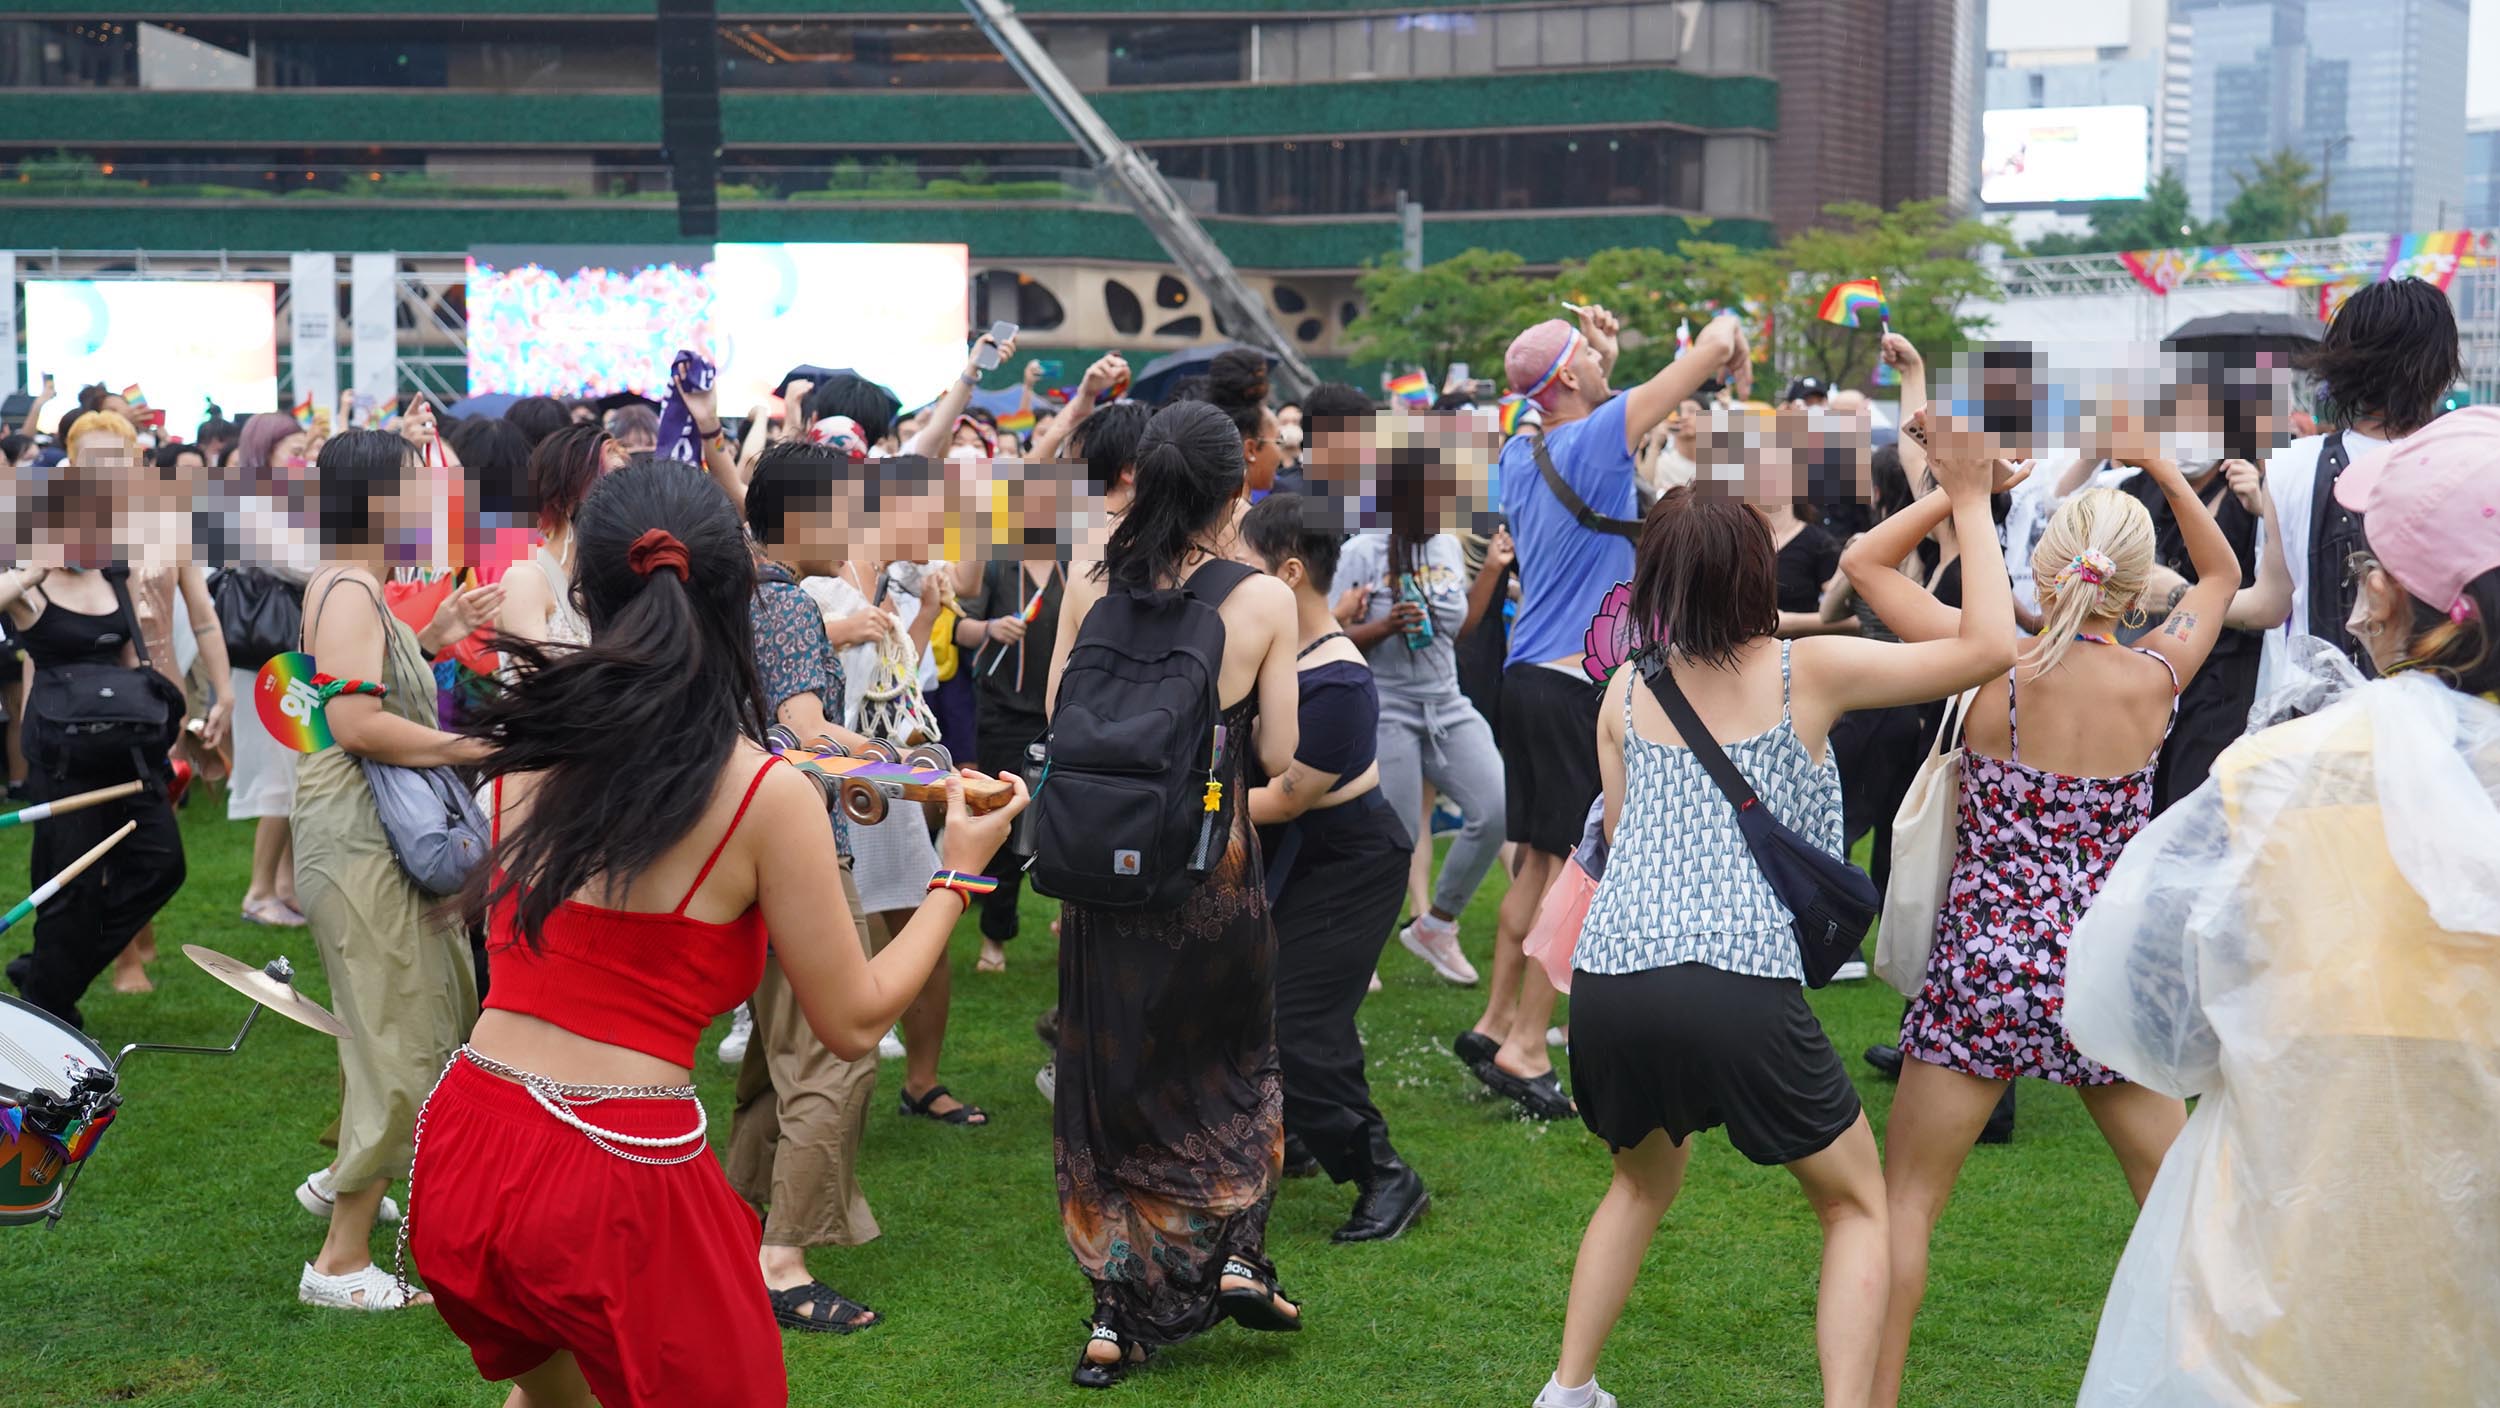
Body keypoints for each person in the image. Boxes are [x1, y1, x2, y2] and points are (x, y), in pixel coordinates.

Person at [410, 457, 1025, 1405]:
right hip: (614, 1166)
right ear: (743, 595)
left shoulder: (527, 741)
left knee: (549, 1395)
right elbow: (854, 1022)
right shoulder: (760, 792)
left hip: (469, 1139)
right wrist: (959, 869)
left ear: (590, 588)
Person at [1536, 450, 2017, 1408]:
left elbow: (1624, 839)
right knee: (1854, 1205)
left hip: (1614, 980)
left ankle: (1569, 1389)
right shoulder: (1807, 668)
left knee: (1638, 1186)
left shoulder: (1625, 692)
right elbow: (1989, 649)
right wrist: (1966, 500)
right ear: (1758, 575)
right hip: (1734, 978)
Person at [2062, 404, 2500, 1408]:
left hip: (2287, 1255)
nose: (2353, 601)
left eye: (2364, 572)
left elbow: (2141, 1014)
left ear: (2408, 595)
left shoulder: (2290, 771)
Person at [1841, 424, 2242, 1408]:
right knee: (2177, 1209)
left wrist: (1964, 492)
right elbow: (2224, 575)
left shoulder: (1992, 665)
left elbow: (1862, 563)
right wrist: (2157, 470)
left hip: (1982, 966)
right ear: (2133, 584)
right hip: (2098, 974)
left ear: (2051, 565)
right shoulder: (2157, 677)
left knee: (1904, 1211)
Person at [1043, 400, 1303, 1386]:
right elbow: (1279, 752)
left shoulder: (1095, 577)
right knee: (1233, 1071)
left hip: (1098, 878)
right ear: (1233, 490)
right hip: (1210, 867)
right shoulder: (1262, 600)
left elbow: (1066, 713)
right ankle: (1234, 1248)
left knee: (1112, 1092)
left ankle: (1113, 1314)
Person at [1464, 307, 1748, 1121]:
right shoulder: (1591, 440)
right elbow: (1708, 356)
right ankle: (1524, 1047)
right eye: (1586, 354)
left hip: (1527, 678)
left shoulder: (1521, 452)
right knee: (1578, 868)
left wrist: (1600, 361)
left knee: (1538, 863)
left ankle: (1492, 1025)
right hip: (1572, 685)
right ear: (1566, 383)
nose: (1598, 356)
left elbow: (1585, 408)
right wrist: (1725, 329)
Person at [290, 428, 497, 1310]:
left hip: (370, 840)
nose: (428, 503)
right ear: (376, 500)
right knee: (404, 1036)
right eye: (415, 488)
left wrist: (435, 637)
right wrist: (479, 745)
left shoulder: (356, 588)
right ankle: (338, 1263)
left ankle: (348, 1182)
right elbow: (356, 725)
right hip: (364, 842)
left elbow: (354, 684)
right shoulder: (347, 589)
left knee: (407, 1021)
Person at [726, 440, 897, 1332]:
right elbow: (800, 733)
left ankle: (736, 1218)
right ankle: (781, 1261)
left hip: (733, 851)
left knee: (775, 1052)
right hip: (796, 853)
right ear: (796, 519)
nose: (857, 527)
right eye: (845, 509)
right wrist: (903, 765)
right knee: (839, 1049)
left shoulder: (730, 588)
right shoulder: (786, 605)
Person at [1238, 492, 1430, 1242]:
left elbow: (1286, 799)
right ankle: (1310, 1139)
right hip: (1309, 859)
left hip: (1353, 864)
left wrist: (1188, 808)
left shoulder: (1340, 679)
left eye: (1244, 569)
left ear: (1287, 574)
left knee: (1298, 1025)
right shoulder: (1287, 652)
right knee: (1273, 1013)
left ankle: (1386, 1175)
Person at [0, 411, 193, 1031]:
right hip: (63, 753)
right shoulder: (29, 583)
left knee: (161, 866)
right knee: (70, 885)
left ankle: (49, 978)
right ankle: (48, 1007)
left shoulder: (114, 573)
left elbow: (136, 660)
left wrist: (173, 716)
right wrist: (33, 566)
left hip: (129, 752)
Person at [1333, 441, 1499, 986]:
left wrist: (1492, 573)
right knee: (1396, 842)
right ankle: (1358, 948)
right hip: (1388, 708)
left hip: (1447, 701)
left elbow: (1460, 629)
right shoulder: (1360, 551)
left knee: (1494, 810)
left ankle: (1437, 924)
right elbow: (1328, 639)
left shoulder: (1445, 548)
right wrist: (1381, 627)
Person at [2258, 276, 2461, 684]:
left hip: (2317, 724)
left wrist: (2180, 594)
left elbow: (2268, 603)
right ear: (2440, 371)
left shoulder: (2290, 466)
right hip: (2441, 719)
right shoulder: (2466, 464)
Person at [224, 410, 316, 927]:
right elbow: (302, 563)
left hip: (281, 653)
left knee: (291, 770)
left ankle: (285, 886)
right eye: (293, 448)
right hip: (267, 656)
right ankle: (260, 891)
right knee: (281, 776)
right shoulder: (252, 505)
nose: (303, 456)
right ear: (267, 451)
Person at [498, 424, 623, 651]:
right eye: (603, 485)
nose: (619, 498)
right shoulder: (527, 577)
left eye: (623, 483)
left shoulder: (617, 579)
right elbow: (535, 681)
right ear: (561, 497)